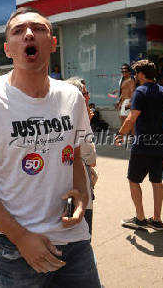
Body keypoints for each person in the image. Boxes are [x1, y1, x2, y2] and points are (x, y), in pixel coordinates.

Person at [0, 7, 100, 287]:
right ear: (8, 49)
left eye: (38, 29)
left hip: (75, 240)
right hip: (14, 249)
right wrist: (20, 237)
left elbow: (76, 156)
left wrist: (80, 195)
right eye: (19, 31)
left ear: (53, 43)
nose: (29, 34)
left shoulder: (72, 97)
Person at [115, 59, 163, 231]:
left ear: (141, 74)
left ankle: (140, 219)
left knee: (133, 180)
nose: (135, 77)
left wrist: (120, 134)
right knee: (156, 181)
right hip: (160, 143)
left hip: (143, 144)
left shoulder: (140, 91)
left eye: (136, 73)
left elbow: (132, 117)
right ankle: (157, 220)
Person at [65, 77, 97, 237]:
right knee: (81, 236)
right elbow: (90, 158)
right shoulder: (76, 119)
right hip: (78, 191)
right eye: (84, 93)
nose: (88, 97)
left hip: (75, 186)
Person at [116, 64, 136, 130]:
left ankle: (130, 137)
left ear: (129, 72)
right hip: (124, 102)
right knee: (124, 120)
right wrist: (119, 101)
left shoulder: (130, 80)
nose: (124, 73)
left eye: (126, 71)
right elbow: (123, 92)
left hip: (128, 101)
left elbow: (133, 91)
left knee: (126, 121)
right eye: (122, 71)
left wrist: (130, 103)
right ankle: (129, 137)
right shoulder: (123, 80)